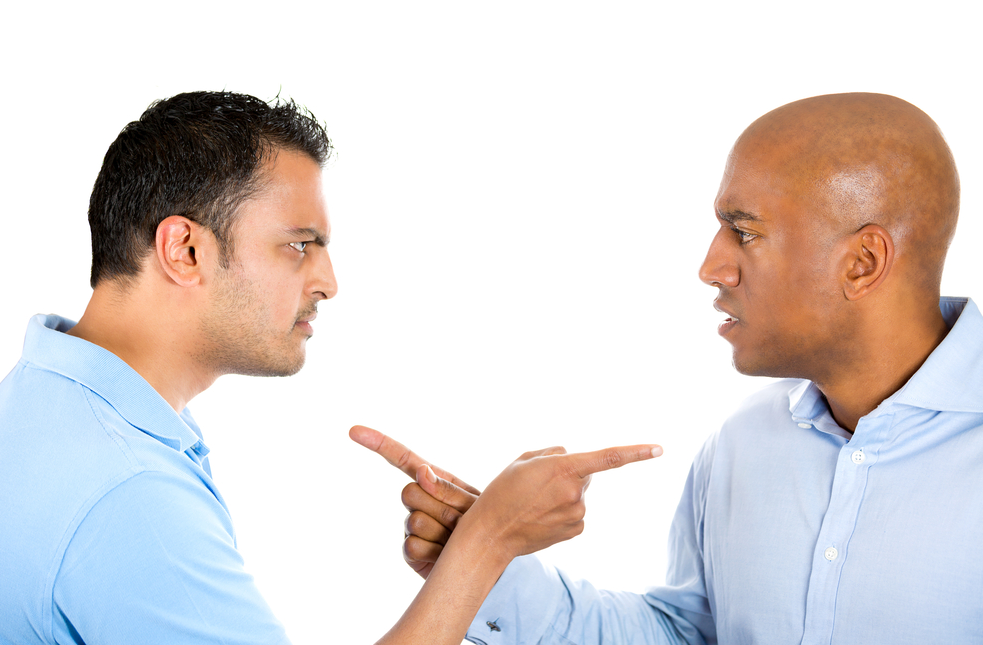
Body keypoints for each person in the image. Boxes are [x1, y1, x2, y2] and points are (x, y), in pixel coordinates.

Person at [0, 90, 662, 645]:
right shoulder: (126, 489)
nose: (329, 281)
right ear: (184, 249)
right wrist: (488, 542)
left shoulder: (44, 398)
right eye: (298, 246)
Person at [356, 92, 983, 644]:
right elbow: (693, 635)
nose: (711, 267)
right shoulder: (744, 442)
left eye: (744, 233)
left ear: (862, 264)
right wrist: (482, 563)